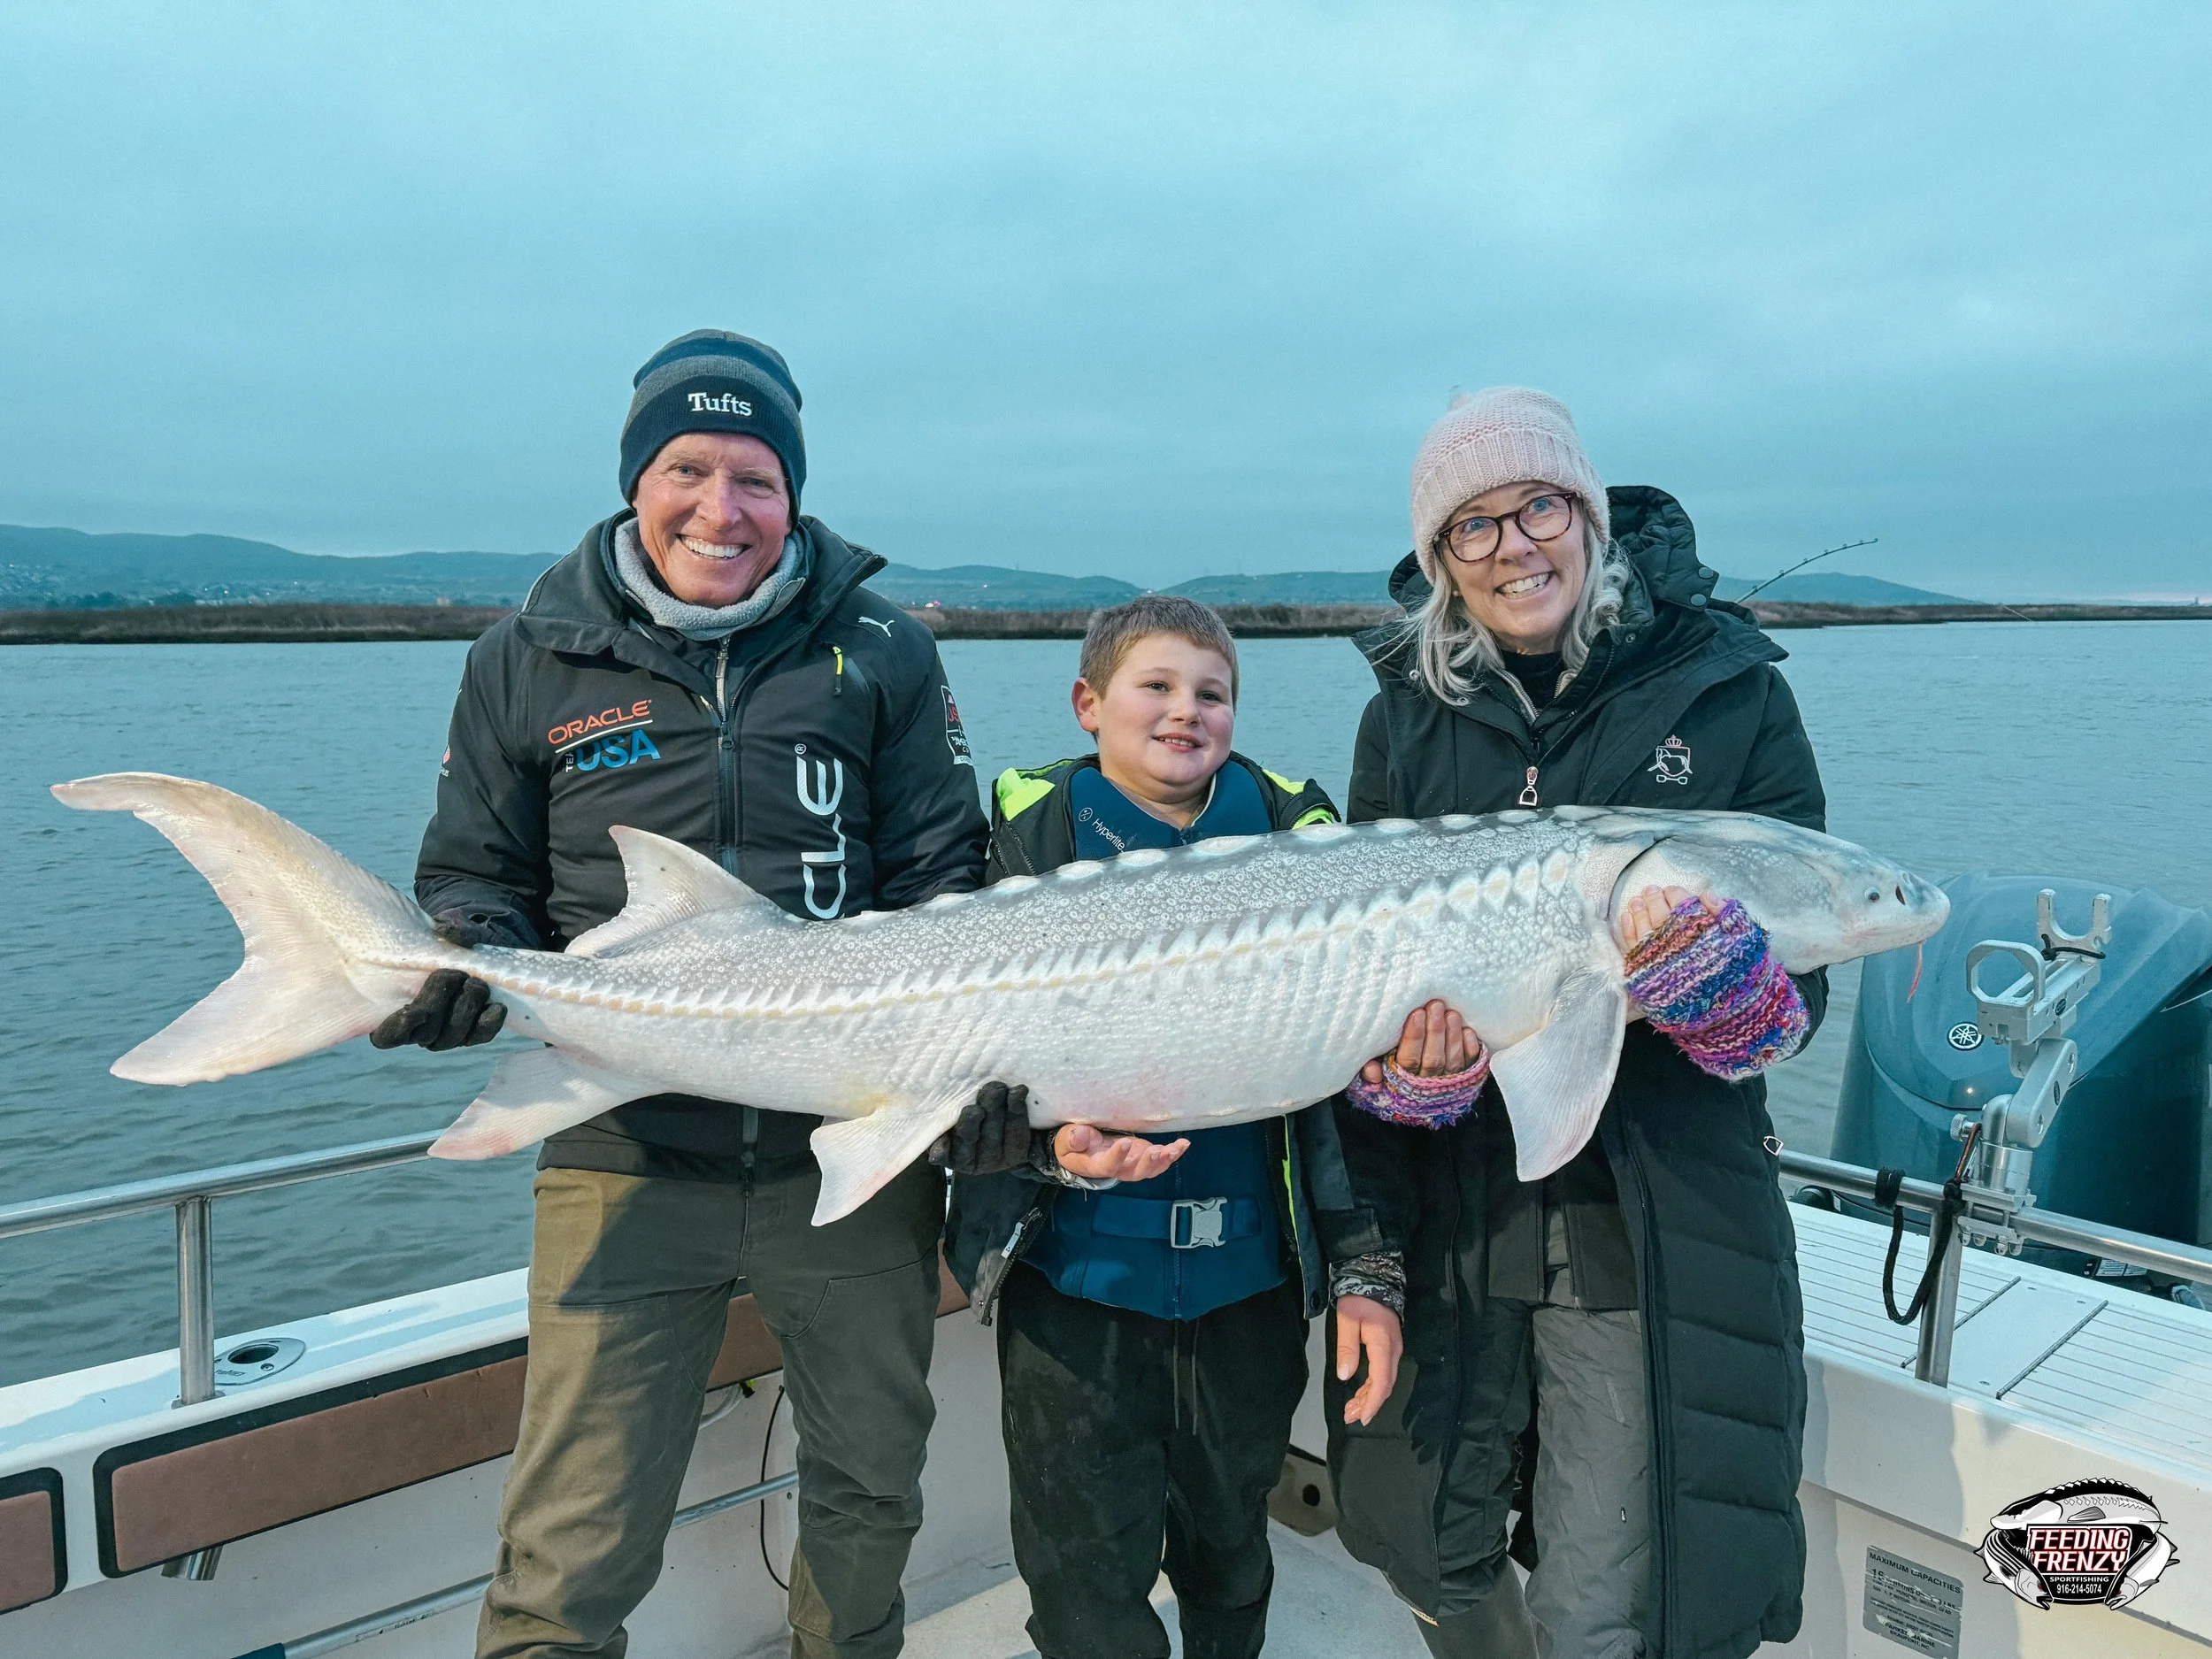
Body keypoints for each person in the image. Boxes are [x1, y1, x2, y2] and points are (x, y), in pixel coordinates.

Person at [374, 329, 990, 1659]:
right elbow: (476, 877)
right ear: (636, 480)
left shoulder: (884, 648)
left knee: (872, 1494)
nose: (725, 508)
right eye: (690, 469)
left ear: (796, 492)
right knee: (573, 1540)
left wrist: (984, 1062)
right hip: (624, 1152)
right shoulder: (527, 655)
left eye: (758, 477)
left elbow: (949, 877)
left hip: (858, 1152)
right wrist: (464, 956)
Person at [1318, 388, 1829, 1659]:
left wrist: (1732, 1001)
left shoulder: (1728, 691)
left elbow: (1803, 989)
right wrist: (1406, 1076)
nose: (1514, 545)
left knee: (1610, 1582)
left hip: (1636, 1213)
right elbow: (1364, 981)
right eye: (1473, 527)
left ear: (1588, 515)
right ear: (1441, 560)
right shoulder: (1403, 715)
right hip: (1461, 1210)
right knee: (1423, 1534)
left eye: (1538, 505)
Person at [935, 596, 1393, 1659]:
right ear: (1088, 703)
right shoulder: (1021, 839)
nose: (1185, 712)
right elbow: (951, 1058)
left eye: (1213, 693)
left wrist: (1367, 1268)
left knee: (1233, 1547)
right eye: (1157, 687)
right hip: (1076, 1289)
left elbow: (1347, 1107)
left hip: (1249, 1288)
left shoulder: (1299, 839)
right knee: (1081, 1574)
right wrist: (1044, 1150)